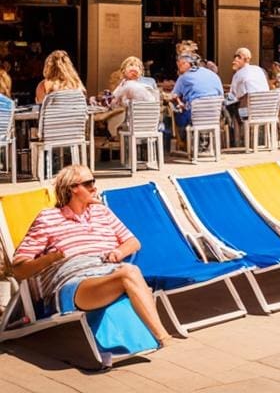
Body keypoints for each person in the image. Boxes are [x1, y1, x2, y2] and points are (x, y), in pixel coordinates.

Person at [11, 165, 175, 347]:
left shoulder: (101, 211)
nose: (95, 188)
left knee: (129, 272)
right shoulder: (48, 218)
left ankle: (154, 337)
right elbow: (18, 268)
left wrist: (118, 252)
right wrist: (51, 258)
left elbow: (133, 242)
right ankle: (164, 338)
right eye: (89, 183)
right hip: (73, 282)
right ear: (72, 188)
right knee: (130, 272)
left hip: (107, 270)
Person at [170, 52, 224, 133]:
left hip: (196, 117)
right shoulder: (212, 74)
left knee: (177, 117)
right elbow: (221, 95)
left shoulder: (183, 77)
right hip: (215, 116)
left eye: (180, 65)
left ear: (187, 63)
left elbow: (173, 96)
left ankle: (184, 143)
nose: (179, 69)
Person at [225, 47, 269, 124]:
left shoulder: (239, 74)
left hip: (249, 113)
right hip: (266, 110)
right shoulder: (259, 70)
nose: (235, 59)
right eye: (235, 57)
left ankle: (235, 134)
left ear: (247, 59)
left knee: (227, 108)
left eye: (239, 57)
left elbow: (234, 96)